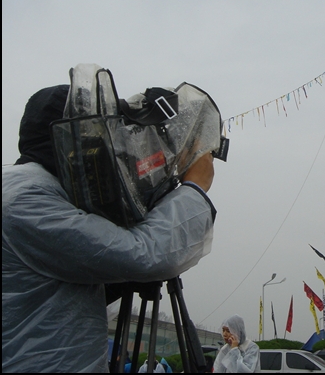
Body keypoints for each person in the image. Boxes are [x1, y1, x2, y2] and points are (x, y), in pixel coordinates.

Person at [2, 84, 216, 372]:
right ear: (69, 139)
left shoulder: (42, 191)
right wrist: (194, 186)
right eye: (101, 134)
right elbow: (143, 255)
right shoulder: (27, 201)